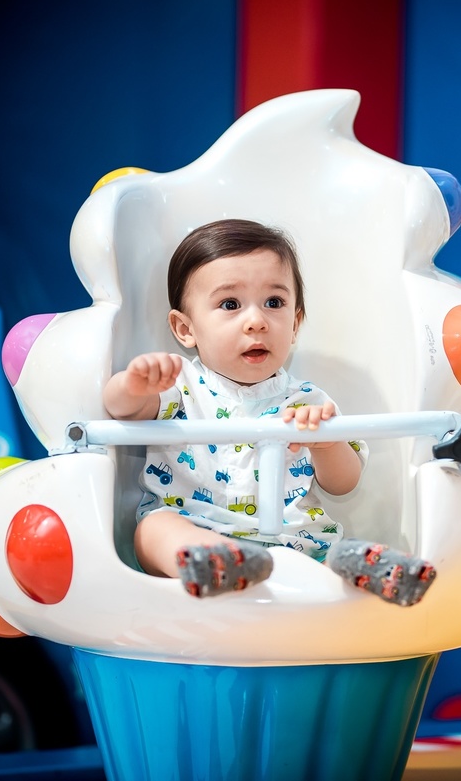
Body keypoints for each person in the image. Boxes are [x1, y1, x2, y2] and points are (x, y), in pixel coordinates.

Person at [102, 218, 437, 606]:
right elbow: (122, 409)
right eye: (230, 305)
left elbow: (344, 484)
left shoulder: (309, 401)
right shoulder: (179, 385)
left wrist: (326, 444)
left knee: (330, 556)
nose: (257, 321)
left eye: (274, 303)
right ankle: (214, 560)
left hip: (295, 546)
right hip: (197, 531)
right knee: (152, 529)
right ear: (185, 329)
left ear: (295, 324)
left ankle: (358, 566)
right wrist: (134, 385)